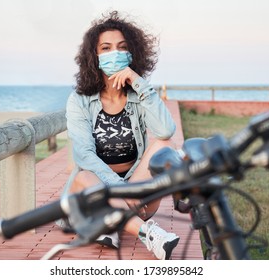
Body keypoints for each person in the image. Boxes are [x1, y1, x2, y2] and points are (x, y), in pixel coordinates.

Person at [64, 11, 179, 260]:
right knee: (84, 174)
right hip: (93, 191)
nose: (114, 53)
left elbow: (166, 132)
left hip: (132, 191)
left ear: (132, 54)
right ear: (94, 56)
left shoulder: (138, 94)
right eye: (106, 48)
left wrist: (140, 83)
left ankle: (110, 224)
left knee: (164, 143)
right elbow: (83, 154)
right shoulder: (79, 100)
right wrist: (117, 189)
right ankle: (149, 234)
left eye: (122, 47)